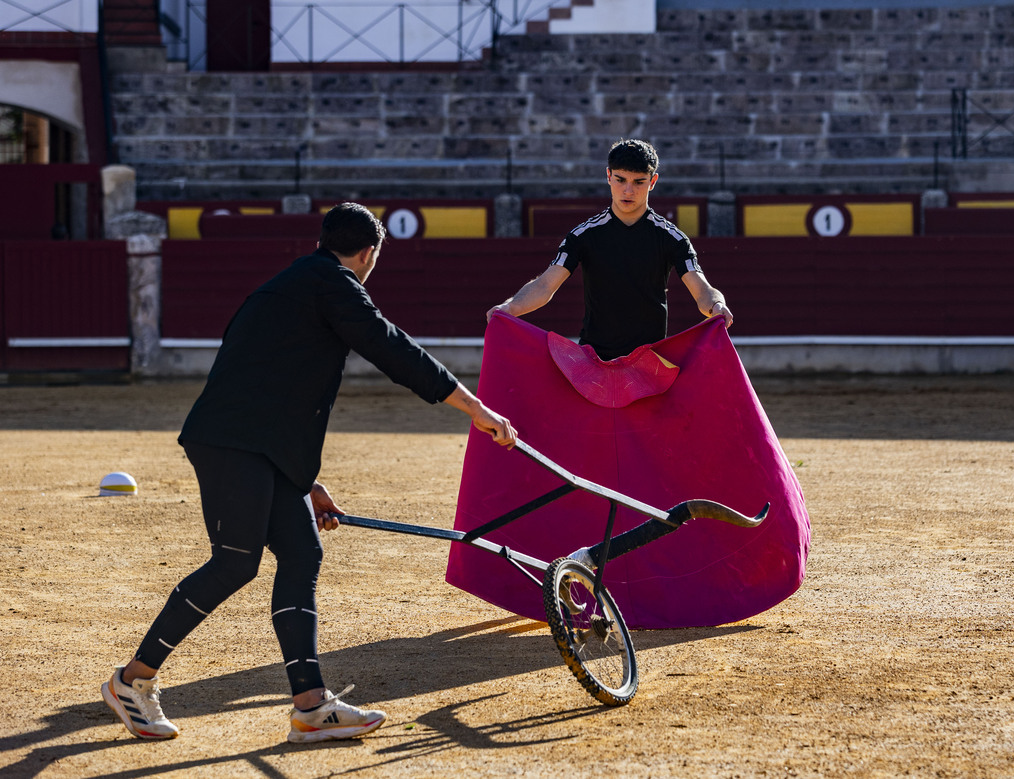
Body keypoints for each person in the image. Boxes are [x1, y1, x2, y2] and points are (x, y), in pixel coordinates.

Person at [102, 202, 517, 743]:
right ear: (369, 253)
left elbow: (273, 382)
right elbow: (396, 352)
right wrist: (478, 410)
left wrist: (304, 480)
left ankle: (310, 706)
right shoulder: (337, 287)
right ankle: (133, 680)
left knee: (302, 552)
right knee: (234, 563)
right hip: (235, 444)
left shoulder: (288, 283)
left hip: (251, 441)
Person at [487, 138, 733, 361]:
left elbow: (702, 291)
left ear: (653, 181)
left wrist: (717, 306)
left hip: (649, 360)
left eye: (639, 182)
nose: (628, 190)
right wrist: (509, 308)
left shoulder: (672, 238)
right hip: (593, 360)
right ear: (608, 176)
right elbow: (545, 285)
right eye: (620, 180)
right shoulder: (584, 235)